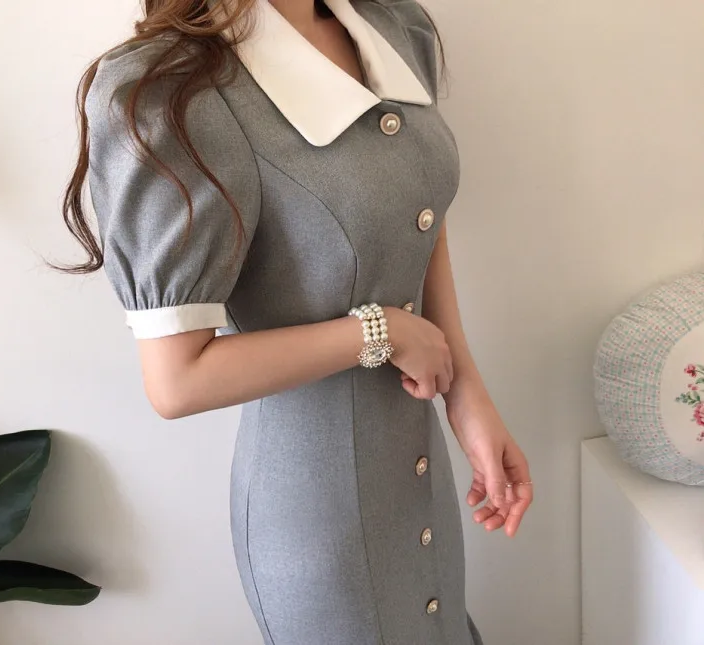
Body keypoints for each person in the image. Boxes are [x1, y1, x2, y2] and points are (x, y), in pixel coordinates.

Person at [60, 0, 533, 641]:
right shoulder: (172, 90)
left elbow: (415, 215)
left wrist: (467, 396)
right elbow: (177, 382)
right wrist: (381, 332)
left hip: (419, 473)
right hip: (317, 512)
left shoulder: (392, 26)